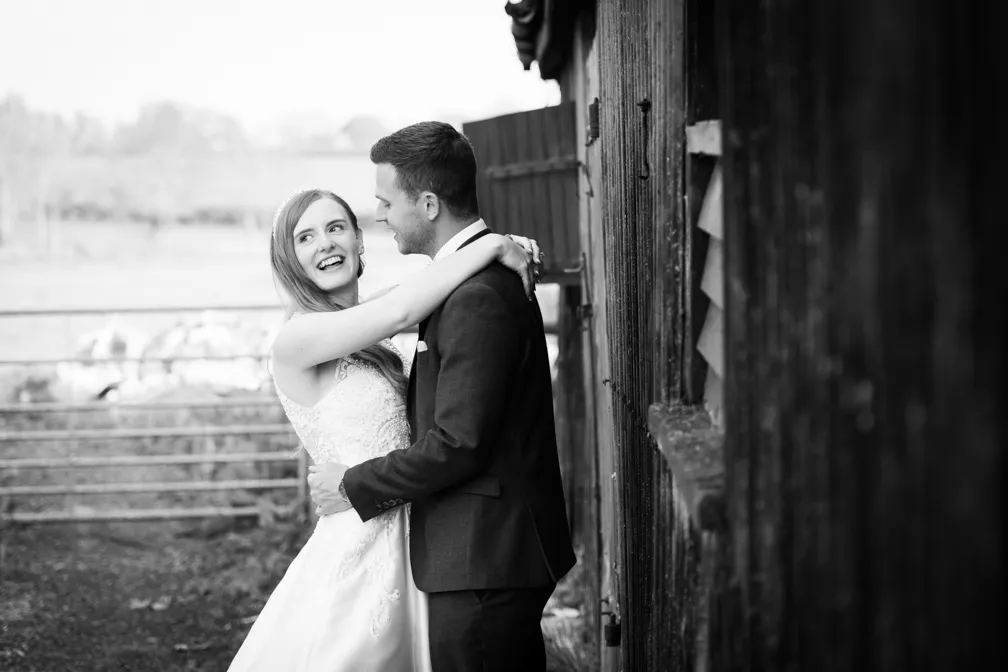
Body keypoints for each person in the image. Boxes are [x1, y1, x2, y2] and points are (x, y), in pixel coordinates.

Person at [226, 186, 541, 672]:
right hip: (361, 541)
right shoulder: (298, 338)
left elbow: (418, 289)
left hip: (423, 532)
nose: (325, 243)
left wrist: (494, 245)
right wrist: (494, 247)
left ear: (359, 240)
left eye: (335, 228)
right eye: (305, 237)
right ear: (289, 260)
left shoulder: (365, 321)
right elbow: (403, 309)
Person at [308, 121, 577, 672]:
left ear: (428, 204)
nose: (378, 214)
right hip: (480, 553)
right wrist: (500, 242)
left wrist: (352, 485)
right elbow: (401, 308)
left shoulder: (477, 295)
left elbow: (458, 443)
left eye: (385, 201)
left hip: (484, 558)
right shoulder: (476, 274)